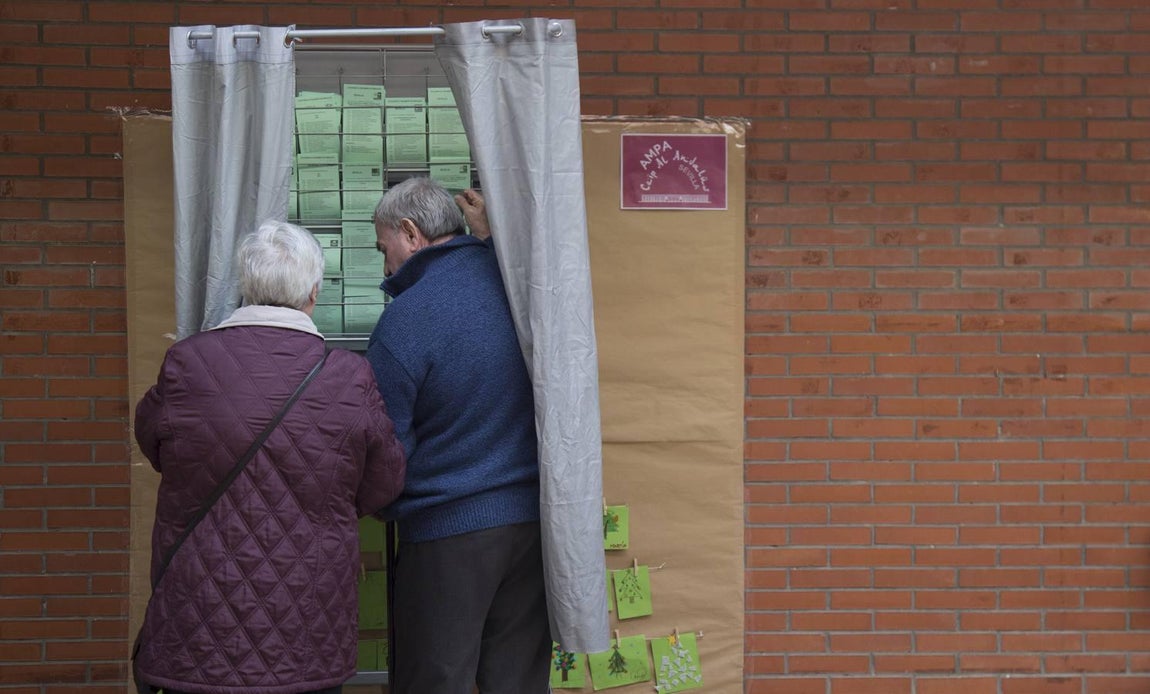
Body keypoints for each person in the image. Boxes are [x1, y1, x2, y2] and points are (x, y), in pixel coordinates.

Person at [132, 220, 406, 694]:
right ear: (314, 292)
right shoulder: (348, 375)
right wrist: (325, 507)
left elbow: (154, 443)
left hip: (199, 618)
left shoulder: (186, 362)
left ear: (246, 285)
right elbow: (385, 482)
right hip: (307, 620)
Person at [366, 177, 550, 693]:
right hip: (532, 526)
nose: (385, 267)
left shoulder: (405, 321)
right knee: (517, 682)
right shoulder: (520, 290)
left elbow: (384, 448)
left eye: (384, 248)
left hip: (445, 533)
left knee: (434, 681)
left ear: (411, 233)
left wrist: (381, 504)